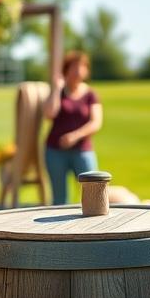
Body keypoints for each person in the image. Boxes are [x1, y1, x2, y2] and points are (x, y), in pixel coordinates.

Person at [43, 51, 103, 205]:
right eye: (74, 67)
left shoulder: (91, 95)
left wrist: (75, 136)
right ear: (66, 70)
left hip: (82, 150)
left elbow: (96, 122)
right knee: (60, 199)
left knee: (93, 193)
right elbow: (49, 114)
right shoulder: (59, 92)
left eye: (81, 67)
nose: (77, 71)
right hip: (55, 151)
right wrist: (57, 89)